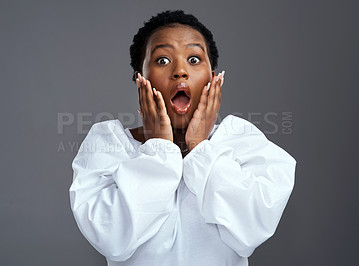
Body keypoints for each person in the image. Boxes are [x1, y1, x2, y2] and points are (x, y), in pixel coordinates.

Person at [70, 10, 296, 266]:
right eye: (163, 60)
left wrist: (200, 148)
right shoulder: (107, 146)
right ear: (139, 78)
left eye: (194, 58)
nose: (180, 71)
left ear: (213, 77)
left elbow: (250, 231)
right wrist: (160, 149)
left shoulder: (241, 143)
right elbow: (112, 239)